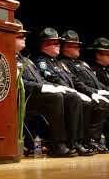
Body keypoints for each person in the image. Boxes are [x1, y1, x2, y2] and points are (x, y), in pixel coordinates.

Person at [34, 27, 105, 156]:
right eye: (55, 43)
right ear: (45, 45)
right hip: (57, 96)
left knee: (87, 102)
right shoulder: (41, 62)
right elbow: (53, 79)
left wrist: (90, 93)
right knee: (75, 99)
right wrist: (74, 92)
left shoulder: (60, 64)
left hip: (68, 95)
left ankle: (80, 141)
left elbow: (75, 81)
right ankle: (71, 142)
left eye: (58, 43)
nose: (58, 46)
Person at [15, 20, 78, 157]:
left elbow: (41, 80)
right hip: (24, 99)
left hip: (35, 95)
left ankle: (73, 142)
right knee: (55, 97)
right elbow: (21, 84)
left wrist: (56, 87)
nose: (24, 38)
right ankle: (57, 145)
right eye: (20, 36)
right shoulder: (9, 59)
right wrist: (43, 88)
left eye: (24, 35)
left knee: (70, 96)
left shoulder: (26, 60)